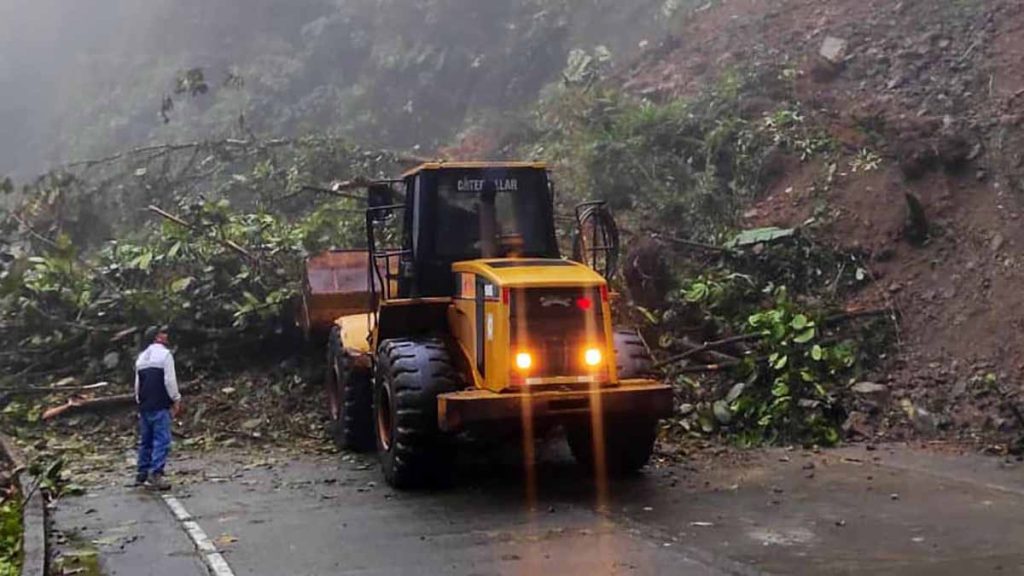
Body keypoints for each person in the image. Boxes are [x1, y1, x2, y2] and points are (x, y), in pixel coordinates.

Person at [134, 325, 182, 490]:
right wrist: (176, 398)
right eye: (163, 333)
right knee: (162, 440)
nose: (166, 335)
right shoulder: (165, 355)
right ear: (157, 337)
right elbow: (169, 380)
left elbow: (137, 384)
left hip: (145, 404)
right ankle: (156, 473)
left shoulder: (141, 358)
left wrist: (139, 401)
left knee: (146, 440)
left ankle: (142, 473)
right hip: (160, 403)